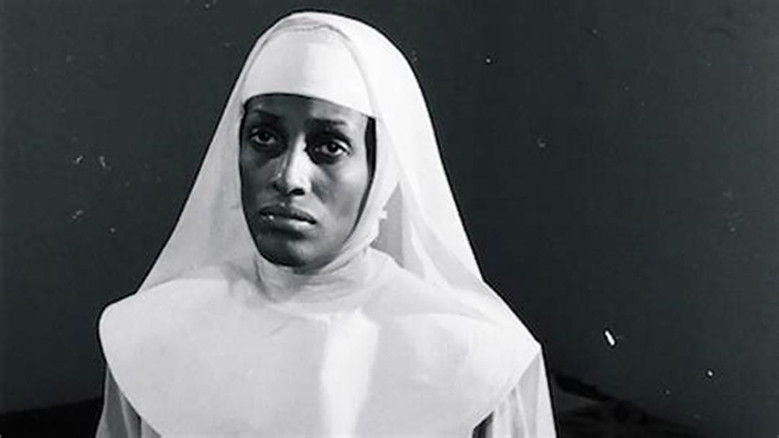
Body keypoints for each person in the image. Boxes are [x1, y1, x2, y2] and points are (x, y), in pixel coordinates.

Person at [96, 11, 556, 437]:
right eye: (264, 137)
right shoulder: (151, 338)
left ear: (381, 170)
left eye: (329, 146)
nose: (288, 177)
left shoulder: (478, 363)